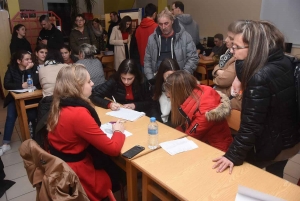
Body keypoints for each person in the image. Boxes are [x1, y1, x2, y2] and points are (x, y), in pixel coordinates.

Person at [212, 20, 300, 178]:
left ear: (254, 49)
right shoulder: (283, 59)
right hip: (289, 137)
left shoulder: (259, 76)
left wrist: (232, 155)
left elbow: (251, 125)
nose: (232, 51)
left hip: (273, 142)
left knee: (251, 178)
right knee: (275, 176)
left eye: (236, 47)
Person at [47, 64, 125, 200]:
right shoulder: (78, 113)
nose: (93, 83)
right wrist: (118, 132)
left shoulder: (59, 104)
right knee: (118, 170)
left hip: (60, 167)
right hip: (78, 174)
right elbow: (113, 149)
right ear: (77, 86)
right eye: (89, 81)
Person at [164, 71, 232, 151]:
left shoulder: (205, 113)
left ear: (178, 92)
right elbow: (185, 126)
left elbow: (189, 138)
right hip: (203, 143)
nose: (168, 95)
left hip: (217, 150)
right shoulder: (195, 91)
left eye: (169, 92)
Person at [0, 50, 40, 155]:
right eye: (27, 59)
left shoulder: (34, 67)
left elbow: (35, 82)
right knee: (10, 117)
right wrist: (21, 85)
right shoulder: (12, 69)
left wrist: (28, 70)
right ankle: (5, 143)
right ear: (19, 61)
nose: (30, 61)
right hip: (15, 98)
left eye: (30, 59)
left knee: (32, 116)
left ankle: (34, 138)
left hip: (30, 97)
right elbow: (7, 84)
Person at [90, 59, 160, 119]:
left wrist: (135, 105)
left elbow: (150, 102)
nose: (126, 82)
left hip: (138, 114)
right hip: (119, 114)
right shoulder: (114, 80)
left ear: (135, 76)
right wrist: (109, 104)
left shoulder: (142, 81)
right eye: (123, 78)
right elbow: (94, 96)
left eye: (130, 79)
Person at [144, 7, 198, 80]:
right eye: (160, 24)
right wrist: (151, 78)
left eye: (166, 23)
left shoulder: (185, 36)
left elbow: (193, 58)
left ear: (172, 21)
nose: (163, 27)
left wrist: (183, 76)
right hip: (158, 79)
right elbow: (147, 60)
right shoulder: (152, 38)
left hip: (179, 79)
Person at [212, 30, 242, 110]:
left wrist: (216, 76)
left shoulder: (239, 59)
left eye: (230, 37)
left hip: (227, 100)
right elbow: (216, 66)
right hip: (223, 96)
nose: (226, 40)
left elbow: (223, 81)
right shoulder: (227, 53)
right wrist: (218, 71)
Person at [153, 58, 180, 123]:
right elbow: (152, 107)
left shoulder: (180, 86)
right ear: (162, 74)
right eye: (169, 76)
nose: (172, 79)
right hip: (158, 122)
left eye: (174, 75)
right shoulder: (153, 85)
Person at [135, 3, 158, 69]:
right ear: (154, 14)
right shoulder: (156, 27)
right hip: (154, 62)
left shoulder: (138, 29)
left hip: (142, 62)